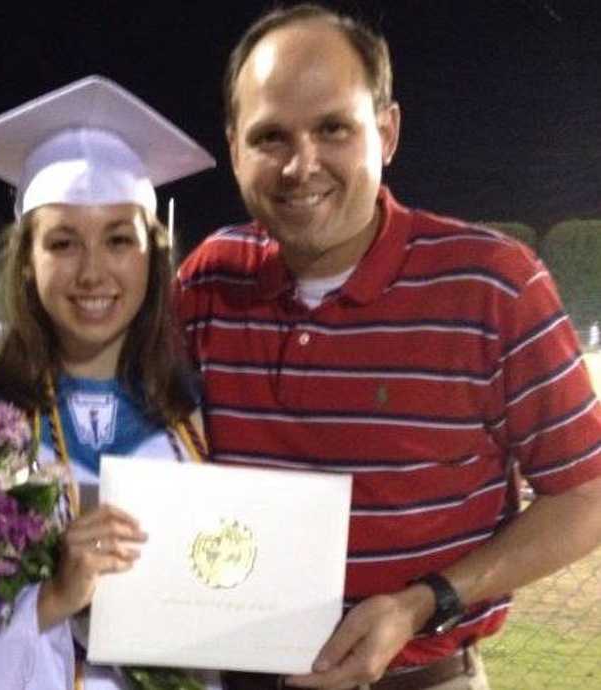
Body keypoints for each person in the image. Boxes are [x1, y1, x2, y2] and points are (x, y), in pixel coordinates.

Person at [174, 4, 601, 690]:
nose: (301, 165)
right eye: (271, 136)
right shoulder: (209, 281)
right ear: (234, 148)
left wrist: (425, 603)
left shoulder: (491, 286)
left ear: (388, 132)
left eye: (333, 128)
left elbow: (586, 495)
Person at [0, 76, 219, 690]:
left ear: (152, 256)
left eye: (119, 239)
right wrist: (54, 598)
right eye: (63, 242)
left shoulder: (199, 420)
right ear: (27, 263)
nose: (93, 271)